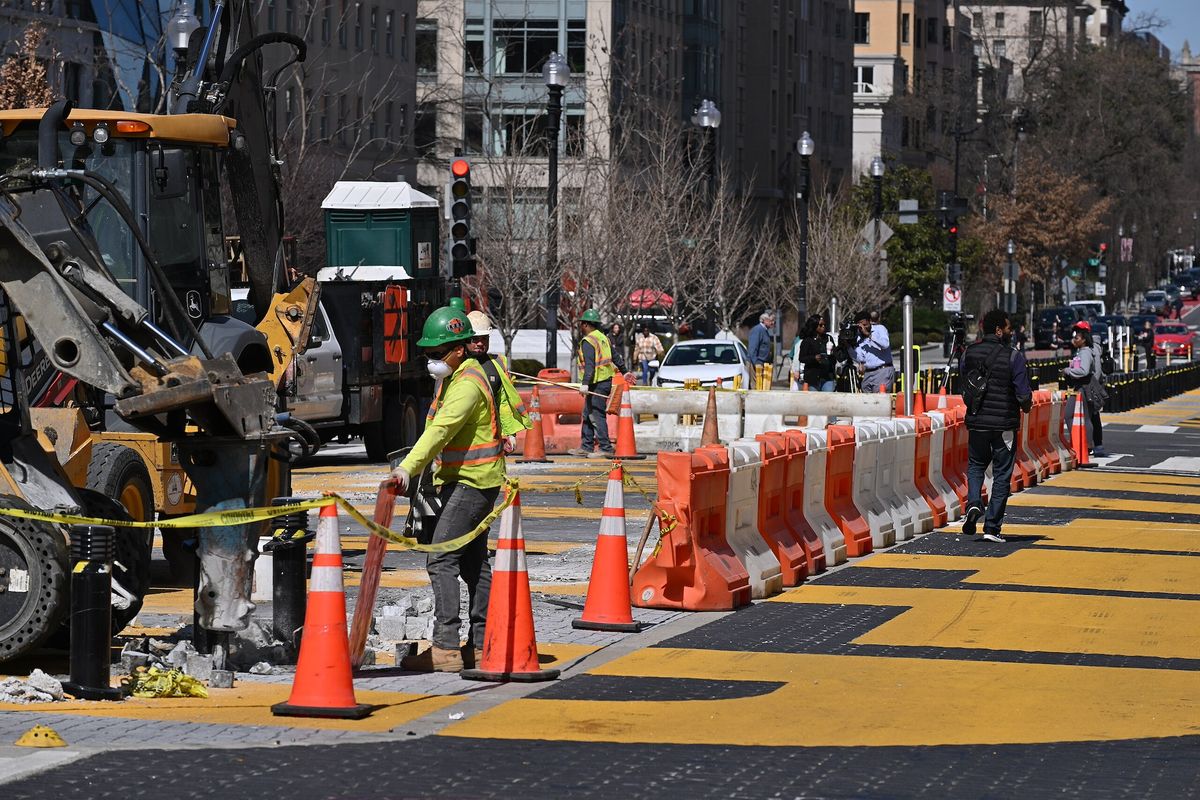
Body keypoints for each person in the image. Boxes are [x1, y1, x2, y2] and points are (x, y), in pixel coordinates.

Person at [388, 306, 505, 672]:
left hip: (474, 483)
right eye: (427, 354)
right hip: (471, 480)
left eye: (437, 354)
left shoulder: (467, 384)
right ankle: (482, 643)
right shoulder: (456, 377)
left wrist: (408, 468)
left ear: (458, 349)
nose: (430, 361)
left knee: (440, 558)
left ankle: (446, 648)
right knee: (472, 563)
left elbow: (439, 432)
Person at [959, 309, 1033, 543]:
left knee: (976, 465)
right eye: (1009, 328)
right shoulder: (1014, 356)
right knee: (1002, 474)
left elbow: (964, 385)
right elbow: (1023, 394)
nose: (1011, 332)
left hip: (977, 422)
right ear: (999, 330)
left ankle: (973, 504)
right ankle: (992, 527)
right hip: (1004, 426)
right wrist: (1027, 405)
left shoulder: (968, 353)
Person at [466, 310, 531, 450]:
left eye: (484, 339)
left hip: (490, 437)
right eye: (475, 339)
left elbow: (503, 402)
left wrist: (510, 434)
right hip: (465, 438)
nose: (480, 343)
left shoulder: (498, 364)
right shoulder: (456, 365)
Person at [569, 309, 615, 458]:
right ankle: (586, 446)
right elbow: (616, 356)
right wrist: (625, 370)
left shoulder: (588, 341)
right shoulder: (603, 338)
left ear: (587, 324)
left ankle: (605, 447)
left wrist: (585, 384)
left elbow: (590, 365)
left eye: (582, 324)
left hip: (597, 383)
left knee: (596, 415)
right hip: (604, 380)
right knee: (587, 413)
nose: (581, 327)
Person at [1063, 321, 1108, 458]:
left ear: (1084, 337)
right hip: (1083, 386)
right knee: (1087, 416)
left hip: (1086, 386)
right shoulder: (1083, 350)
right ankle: (1085, 444)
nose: (1074, 337)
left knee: (1087, 416)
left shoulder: (1088, 350)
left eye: (1077, 335)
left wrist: (1070, 371)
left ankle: (1087, 445)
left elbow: (1088, 371)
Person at [853, 309, 893, 393]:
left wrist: (869, 335)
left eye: (865, 325)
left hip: (882, 371)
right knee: (867, 402)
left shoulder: (880, 329)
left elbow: (885, 344)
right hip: (868, 373)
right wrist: (849, 346)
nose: (863, 328)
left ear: (870, 321)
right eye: (860, 326)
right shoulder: (859, 337)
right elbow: (860, 358)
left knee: (880, 401)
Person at [792, 313, 836, 391]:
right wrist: (814, 358)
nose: (823, 327)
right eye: (820, 325)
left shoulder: (829, 338)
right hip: (813, 377)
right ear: (814, 326)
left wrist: (832, 353)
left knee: (828, 400)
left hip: (827, 376)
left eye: (824, 325)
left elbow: (835, 357)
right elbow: (802, 358)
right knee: (815, 400)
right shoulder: (808, 340)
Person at [748, 312, 775, 387]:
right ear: (764, 320)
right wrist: (756, 363)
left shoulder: (764, 330)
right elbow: (752, 348)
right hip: (756, 363)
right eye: (771, 320)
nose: (773, 323)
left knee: (762, 387)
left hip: (762, 363)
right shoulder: (758, 330)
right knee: (756, 387)